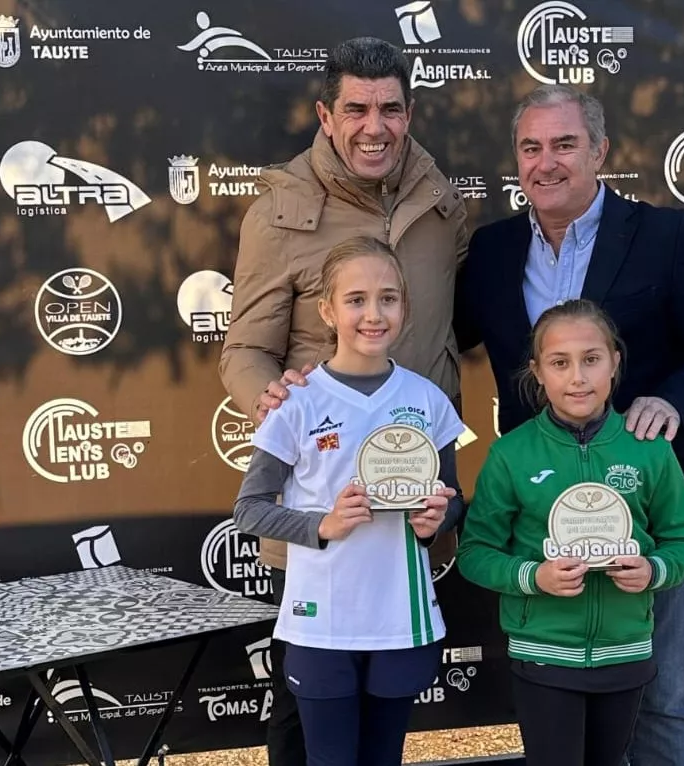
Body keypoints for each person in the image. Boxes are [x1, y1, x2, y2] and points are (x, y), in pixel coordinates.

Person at [453, 84, 684, 765]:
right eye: (531, 147)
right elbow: (430, 340)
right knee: (561, 724)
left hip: (651, 515)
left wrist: (674, 401)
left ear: (600, 152)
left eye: (564, 144)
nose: (546, 162)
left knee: (663, 703)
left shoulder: (664, 236)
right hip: (540, 536)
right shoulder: (494, 252)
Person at [219, 37, 469, 766]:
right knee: (309, 717)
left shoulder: (438, 198)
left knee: (388, 711)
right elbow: (243, 348)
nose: (375, 126)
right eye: (356, 109)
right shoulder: (279, 212)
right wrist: (267, 399)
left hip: (409, 520)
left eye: (391, 108)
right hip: (322, 511)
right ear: (326, 115)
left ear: (410, 111)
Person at [232, 236, 465, 766]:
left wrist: (436, 519)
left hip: (401, 620)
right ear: (327, 311)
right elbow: (249, 510)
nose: (373, 314)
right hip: (321, 622)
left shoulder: (426, 399)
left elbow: (454, 503)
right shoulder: (296, 401)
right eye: (356, 299)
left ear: (405, 307)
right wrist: (325, 524)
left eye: (388, 298)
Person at [456, 299, 684, 766]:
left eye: (591, 359)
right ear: (537, 372)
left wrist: (653, 570)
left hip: (626, 653)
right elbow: (475, 552)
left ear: (614, 362)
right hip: (544, 654)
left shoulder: (647, 450)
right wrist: (535, 577)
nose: (577, 377)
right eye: (560, 363)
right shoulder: (512, 454)